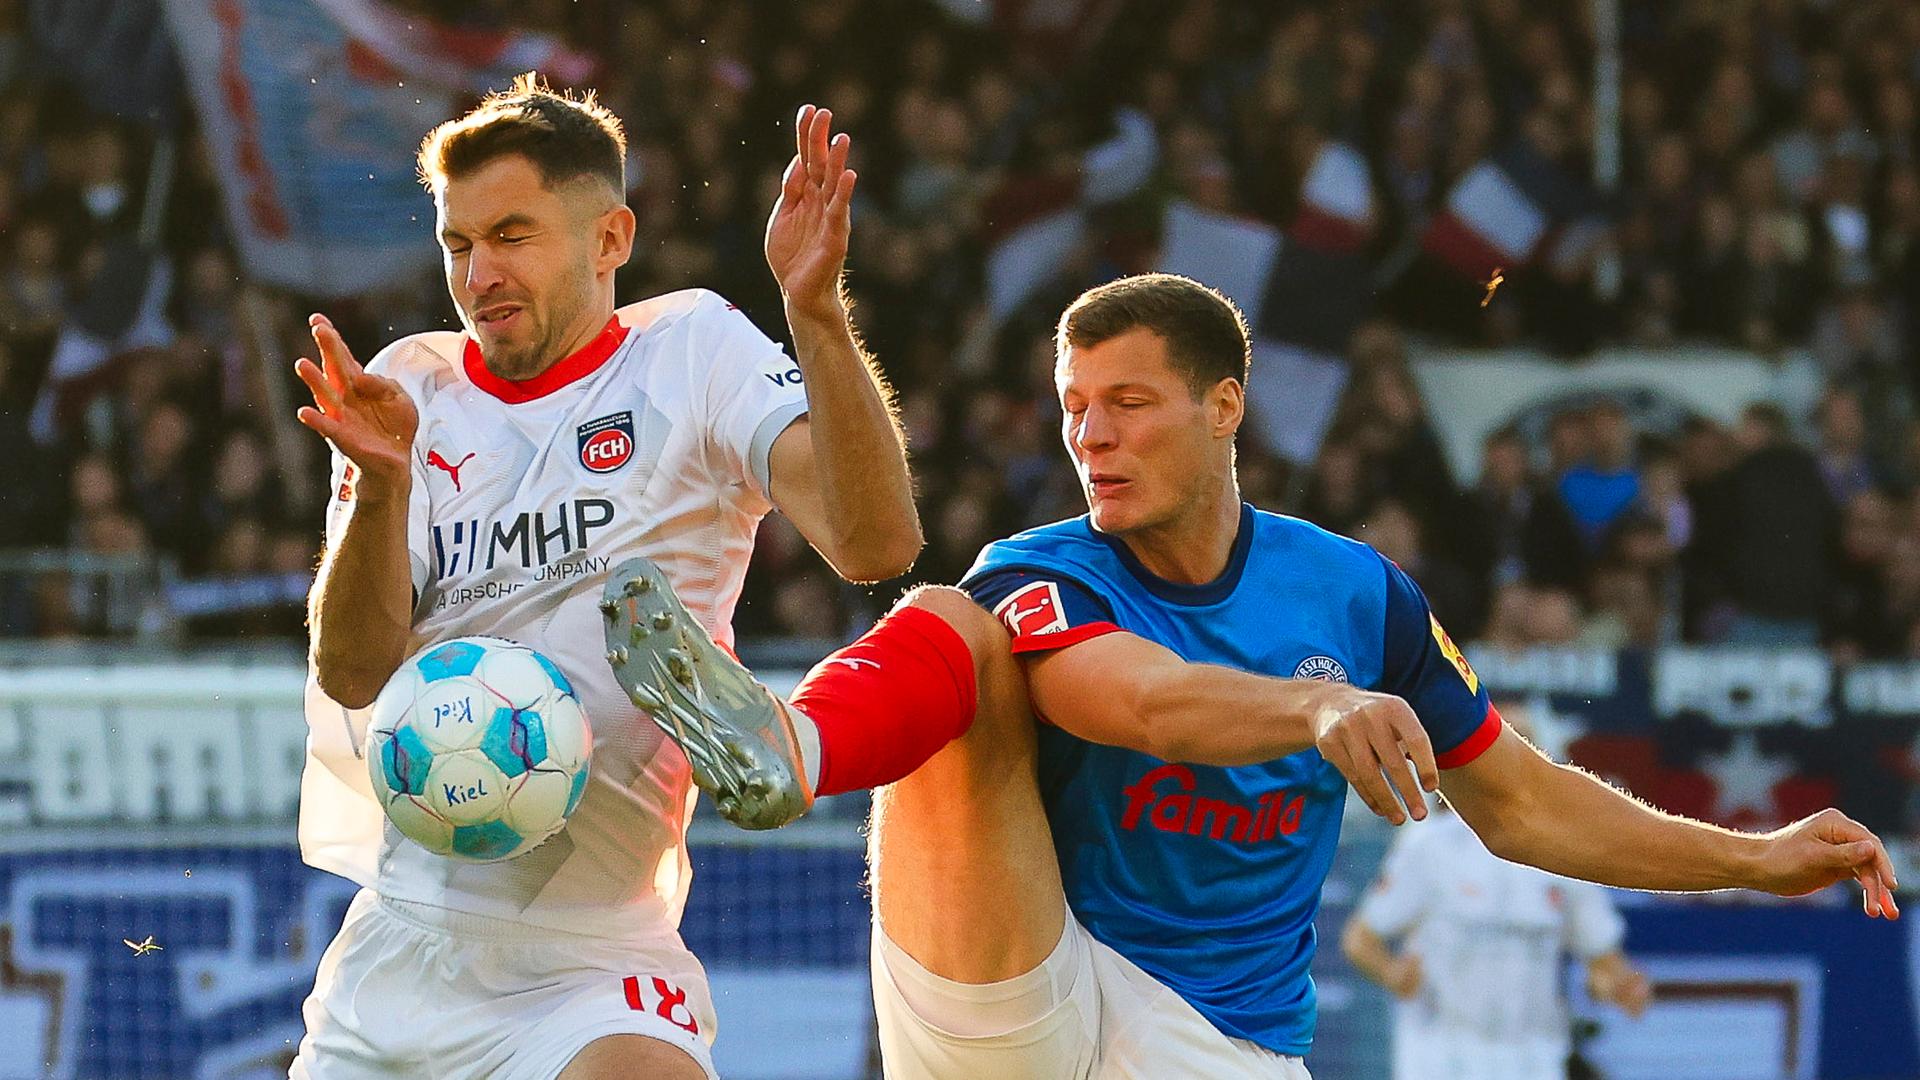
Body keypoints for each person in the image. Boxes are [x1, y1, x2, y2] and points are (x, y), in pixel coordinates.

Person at [603, 272, 1897, 1078]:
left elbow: (1523, 804)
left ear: (1227, 407)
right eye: (1073, 406)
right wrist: (1318, 704)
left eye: (1128, 401)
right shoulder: (1041, 567)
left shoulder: (1358, 594)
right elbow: (1143, 704)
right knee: (955, 629)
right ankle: (789, 749)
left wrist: (1755, 857)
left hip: (1217, 1048)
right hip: (1029, 986)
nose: (1090, 435)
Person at [291, 76, 920, 1080]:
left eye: (511, 235)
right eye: (458, 244)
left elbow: (875, 544)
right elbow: (356, 674)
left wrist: (817, 315)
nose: (479, 272)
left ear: (610, 239)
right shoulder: (408, 387)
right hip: (408, 942)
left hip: (597, 955)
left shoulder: (694, 353)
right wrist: (383, 485)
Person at [1342, 710, 1651, 1080]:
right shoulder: (1429, 846)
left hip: (1536, 1058)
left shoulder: (1568, 850)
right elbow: (1360, 940)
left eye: (1525, 746)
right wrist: (1394, 974)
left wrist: (1614, 987)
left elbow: (1603, 963)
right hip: (1441, 1055)